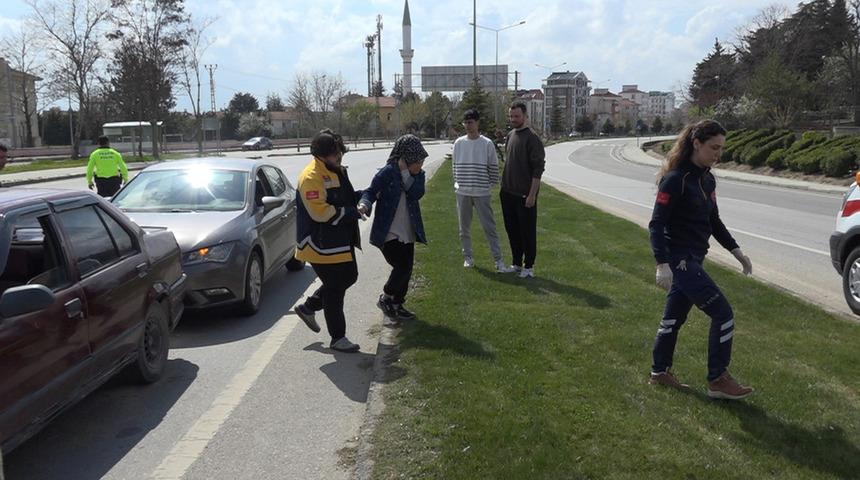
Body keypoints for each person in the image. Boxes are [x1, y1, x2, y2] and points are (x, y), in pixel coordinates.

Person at [648, 119, 754, 400]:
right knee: (724, 314)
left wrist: (736, 251)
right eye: (713, 148)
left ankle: (660, 372)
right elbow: (656, 224)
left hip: (696, 257)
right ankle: (717, 379)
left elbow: (713, 220)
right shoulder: (675, 180)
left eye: (721, 149)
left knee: (672, 320)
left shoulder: (707, 178)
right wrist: (662, 264)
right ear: (696, 144)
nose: (718, 155)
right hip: (681, 261)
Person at [293, 129, 363, 353]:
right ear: (322, 155)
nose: (339, 156)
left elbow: (343, 197)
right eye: (335, 154)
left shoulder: (334, 169)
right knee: (335, 289)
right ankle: (338, 338)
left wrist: (363, 196)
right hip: (318, 245)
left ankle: (309, 307)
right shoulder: (311, 177)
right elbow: (320, 213)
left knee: (349, 276)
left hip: (338, 241)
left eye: (340, 152)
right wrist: (353, 212)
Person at [358, 134, 428, 321]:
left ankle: (397, 303)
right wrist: (364, 204)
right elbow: (370, 192)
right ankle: (386, 297)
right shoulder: (387, 172)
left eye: (422, 161)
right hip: (388, 230)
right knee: (402, 266)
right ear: (405, 158)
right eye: (417, 161)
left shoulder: (418, 175)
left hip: (408, 229)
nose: (420, 165)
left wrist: (407, 173)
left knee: (407, 268)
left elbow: (416, 193)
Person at [452, 109, 514, 272]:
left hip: (481, 192)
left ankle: (499, 261)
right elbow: (454, 166)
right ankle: (468, 257)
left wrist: (490, 184)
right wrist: (458, 182)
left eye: (471, 122)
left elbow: (493, 167)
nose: (468, 126)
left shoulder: (486, 143)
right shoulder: (459, 143)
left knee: (489, 227)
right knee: (463, 228)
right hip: (463, 191)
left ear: (477, 123)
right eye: (465, 123)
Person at [500, 101, 545, 278]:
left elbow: (538, 169)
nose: (513, 119)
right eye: (511, 116)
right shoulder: (511, 135)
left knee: (527, 232)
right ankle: (517, 263)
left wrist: (532, 194)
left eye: (517, 116)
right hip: (508, 193)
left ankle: (529, 267)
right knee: (512, 231)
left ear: (525, 116)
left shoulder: (532, 138)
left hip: (525, 194)